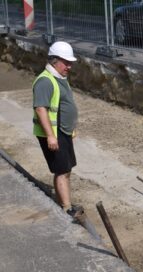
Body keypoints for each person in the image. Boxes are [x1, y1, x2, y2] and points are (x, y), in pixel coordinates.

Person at [32, 41, 81, 216]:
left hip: (63, 132)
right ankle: (67, 209)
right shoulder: (45, 81)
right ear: (54, 61)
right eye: (66, 62)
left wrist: (71, 128)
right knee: (61, 170)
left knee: (66, 169)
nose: (69, 66)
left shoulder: (60, 78)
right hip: (54, 134)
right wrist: (50, 136)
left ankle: (65, 203)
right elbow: (41, 109)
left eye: (70, 63)